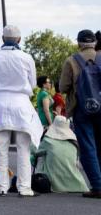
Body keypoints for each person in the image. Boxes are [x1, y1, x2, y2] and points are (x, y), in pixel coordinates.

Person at [0, 25, 43, 197]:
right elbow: (32, 83)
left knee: (1, 148)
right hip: (21, 104)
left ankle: (1, 186)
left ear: (2, 39)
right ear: (19, 39)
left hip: (1, 103)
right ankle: (24, 188)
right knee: (23, 148)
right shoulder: (26, 57)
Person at [59, 29, 101, 198]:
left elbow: (63, 87)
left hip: (81, 108)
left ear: (79, 43)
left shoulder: (71, 61)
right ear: (95, 43)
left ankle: (97, 186)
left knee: (88, 147)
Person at [34, 115, 90, 193]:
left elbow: (36, 153)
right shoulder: (74, 142)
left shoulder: (48, 140)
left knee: (42, 156)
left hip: (53, 183)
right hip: (76, 183)